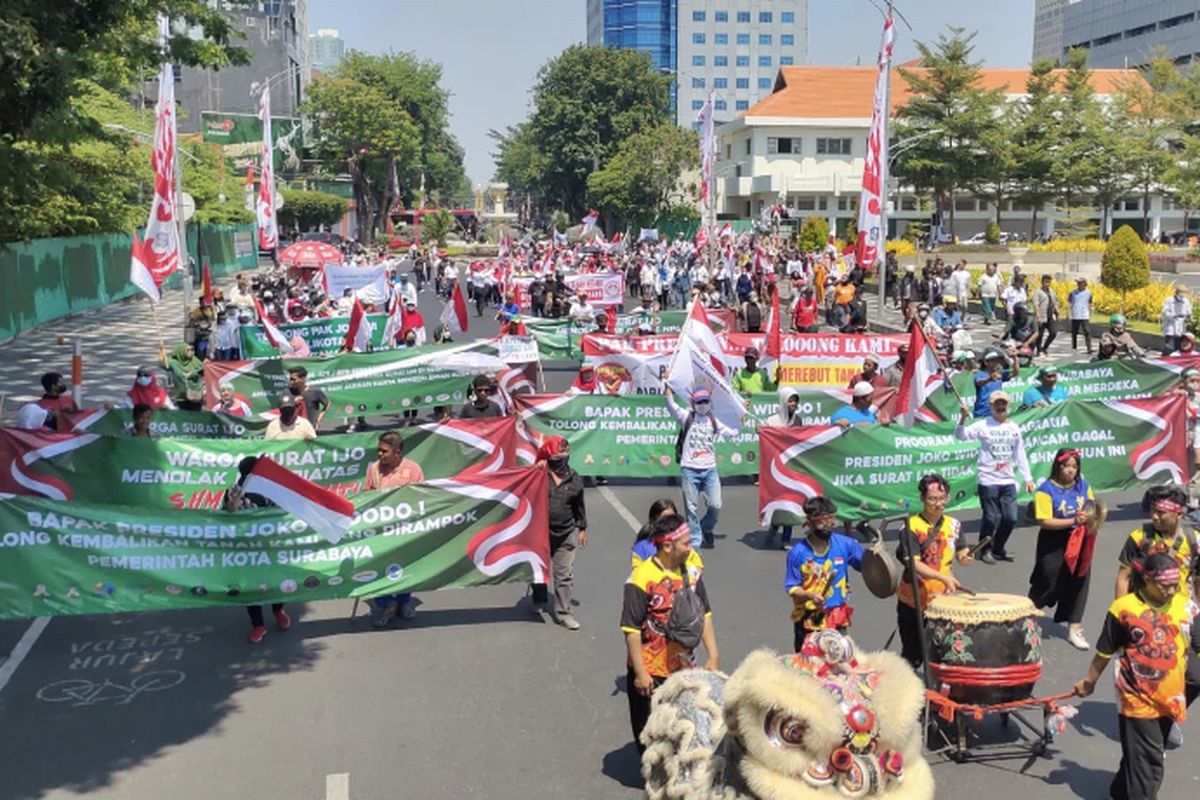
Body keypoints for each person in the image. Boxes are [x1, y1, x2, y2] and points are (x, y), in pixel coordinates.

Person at [1074, 552, 1197, 800]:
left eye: (1176, 585)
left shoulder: (1187, 608)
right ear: (1147, 580)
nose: (1172, 591)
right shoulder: (1123, 609)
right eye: (1165, 586)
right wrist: (1089, 681)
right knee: (1150, 765)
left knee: (1142, 754)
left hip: (1169, 697)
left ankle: (1120, 791)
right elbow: (1104, 652)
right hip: (1135, 695)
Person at [621, 513, 718, 754]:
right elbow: (631, 629)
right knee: (650, 734)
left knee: (684, 728)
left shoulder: (693, 574)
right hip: (651, 672)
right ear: (667, 546)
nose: (690, 547)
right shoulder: (640, 578)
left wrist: (713, 655)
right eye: (686, 543)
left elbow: (704, 613)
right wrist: (640, 672)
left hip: (684, 669)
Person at [896, 474, 973, 669]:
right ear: (922, 499)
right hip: (914, 600)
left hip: (943, 601)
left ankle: (938, 694)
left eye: (942, 498)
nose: (938, 503)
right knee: (912, 655)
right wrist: (942, 577)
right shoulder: (910, 527)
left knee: (942, 654)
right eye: (932, 499)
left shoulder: (954, 525)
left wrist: (965, 557)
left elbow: (961, 551)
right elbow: (914, 565)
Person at [1027, 448, 1097, 650]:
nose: (1070, 470)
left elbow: (1091, 506)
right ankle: (1028, 614)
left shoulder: (1083, 486)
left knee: (1079, 580)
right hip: (1054, 540)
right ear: (1058, 466)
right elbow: (1044, 520)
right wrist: (1072, 520)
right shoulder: (1046, 490)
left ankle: (1075, 628)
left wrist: (1090, 517)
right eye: (1066, 466)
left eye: (1074, 467)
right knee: (1048, 578)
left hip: (1080, 539)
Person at [956, 392, 1035, 563]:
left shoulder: (1014, 427)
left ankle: (998, 547)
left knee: (1011, 518)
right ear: (991, 407)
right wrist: (962, 418)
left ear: (1009, 406)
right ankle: (984, 549)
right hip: (988, 480)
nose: (1000, 407)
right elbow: (960, 435)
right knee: (990, 517)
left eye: (1003, 404)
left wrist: (1027, 478)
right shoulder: (983, 425)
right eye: (997, 404)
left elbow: (1020, 454)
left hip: (1007, 480)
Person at [223, 456, 290, 644]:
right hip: (246, 550)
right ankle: (258, 625)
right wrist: (231, 506)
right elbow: (225, 516)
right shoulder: (234, 491)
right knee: (250, 587)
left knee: (276, 581)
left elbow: (282, 513)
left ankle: (278, 610)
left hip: (270, 547)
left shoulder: (270, 490)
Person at [785, 496, 864, 651]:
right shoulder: (798, 553)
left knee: (839, 662)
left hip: (837, 615)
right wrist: (810, 595)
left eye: (832, 521)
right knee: (810, 666)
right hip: (810, 617)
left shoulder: (845, 544)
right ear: (810, 522)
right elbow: (793, 588)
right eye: (823, 522)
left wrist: (878, 559)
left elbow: (869, 566)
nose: (829, 526)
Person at [362, 431, 424, 626]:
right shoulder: (373, 469)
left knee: (406, 567)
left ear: (397, 452)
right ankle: (386, 604)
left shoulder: (413, 470)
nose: (380, 455)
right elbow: (366, 498)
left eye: (384, 451)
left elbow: (423, 498)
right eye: (379, 450)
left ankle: (404, 602)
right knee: (380, 568)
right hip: (380, 532)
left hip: (405, 531)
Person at [665, 387, 738, 549]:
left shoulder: (713, 420)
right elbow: (670, 404)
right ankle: (696, 542)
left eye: (705, 401)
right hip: (690, 470)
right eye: (699, 402)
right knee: (691, 509)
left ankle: (706, 527)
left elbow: (732, 432)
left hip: (710, 470)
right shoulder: (686, 417)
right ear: (693, 403)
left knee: (716, 505)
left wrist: (742, 413)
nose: (703, 405)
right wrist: (667, 385)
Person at [530, 436, 587, 630]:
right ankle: (539, 599)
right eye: (556, 457)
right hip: (540, 532)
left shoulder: (574, 478)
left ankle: (563, 613)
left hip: (566, 532)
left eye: (564, 456)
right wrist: (535, 470)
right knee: (539, 570)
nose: (561, 460)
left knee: (564, 575)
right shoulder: (539, 475)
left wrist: (582, 528)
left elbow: (579, 505)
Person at [971, 346, 1020, 419]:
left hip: (997, 411)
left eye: (997, 360)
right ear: (986, 362)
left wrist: (1015, 358)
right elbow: (979, 382)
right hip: (982, 412)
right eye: (993, 360)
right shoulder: (980, 374)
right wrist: (989, 379)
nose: (996, 363)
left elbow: (1015, 373)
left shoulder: (1000, 374)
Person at [163, 343, 205, 410]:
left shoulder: (195, 361)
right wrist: (162, 352)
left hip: (195, 395)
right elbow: (163, 364)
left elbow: (203, 370)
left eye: (192, 350)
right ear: (181, 351)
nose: (190, 352)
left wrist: (192, 373)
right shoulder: (174, 363)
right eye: (188, 350)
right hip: (182, 397)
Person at [1030, 274, 1059, 357]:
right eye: (1046, 282)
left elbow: (1055, 302)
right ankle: (1038, 350)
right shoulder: (1038, 292)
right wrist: (1038, 316)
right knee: (1040, 334)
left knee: (1053, 333)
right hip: (1042, 316)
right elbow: (1036, 305)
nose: (1048, 284)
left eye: (1049, 282)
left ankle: (1045, 347)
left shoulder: (1051, 291)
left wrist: (1057, 313)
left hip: (1050, 316)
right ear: (1042, 282)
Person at [1162, 286, 1193, 355]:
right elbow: (1165, 312)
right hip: (1171, 327)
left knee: (1178, 348)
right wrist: (1175, 315)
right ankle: (1164, 359)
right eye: (1181, 294)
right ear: (1177, 293)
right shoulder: (1169, 300)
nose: (1182, 297)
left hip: (1181, 328)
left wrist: (1188, 316)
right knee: (1170, 347)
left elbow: (1189, 312)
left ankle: (1173, 362)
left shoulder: (1186, 301)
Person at [1068, 278, 1093, 354]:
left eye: (1080, 283)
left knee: (1087, 331)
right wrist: (1068, 313)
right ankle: (1074, 347)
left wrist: (1090, 313)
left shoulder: (1089, 293)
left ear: (1084, 284)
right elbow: (1069, 303)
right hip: (1075, 314)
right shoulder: (1073, 293)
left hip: (1085, 315)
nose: (1079, 284)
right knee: (1074, 332)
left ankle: (1089, 348)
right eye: (1078, 283)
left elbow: (1090, 303)